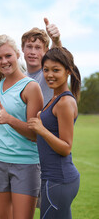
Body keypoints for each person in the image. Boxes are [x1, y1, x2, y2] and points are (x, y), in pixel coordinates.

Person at [0, 35, 43, 218]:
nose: (4, 61)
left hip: (25, 164)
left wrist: (9, 119)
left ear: (17, 54)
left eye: (8, 55)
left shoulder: (31, 87)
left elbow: (35, 135)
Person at [28, 47, 81, 219]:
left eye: (56, 70)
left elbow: (66, 147)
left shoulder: (65, 102)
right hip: (53, 179)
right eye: (46, 70)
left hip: (58, 180)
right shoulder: (54, 98)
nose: (50, 75)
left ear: (68, 71)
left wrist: (41, 129)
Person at [22, 18, 62, 106]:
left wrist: (56, 41)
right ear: (22, 48)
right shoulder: (20, 78)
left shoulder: (48, 73)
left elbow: (56, 56)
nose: (33, 52)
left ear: (46, 51)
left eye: (38, 47)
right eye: (29, 46)